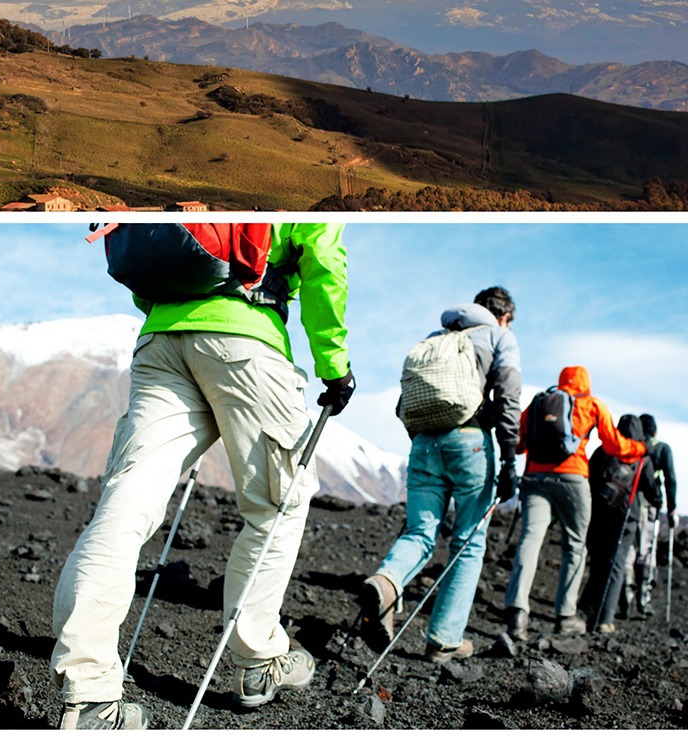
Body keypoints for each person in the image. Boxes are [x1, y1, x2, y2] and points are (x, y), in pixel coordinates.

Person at [53, 223, 351, 728]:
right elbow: (324, 258)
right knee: (276, 503)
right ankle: (258, 661)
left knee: (127, 501)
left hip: (159, 343)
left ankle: (89, 694)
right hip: (247, 340)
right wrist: (333, 362)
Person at [359, 287, 521, 661]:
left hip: (424, 444)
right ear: (504, 316)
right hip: (471, 443)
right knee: (468, 541)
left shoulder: (436, 339)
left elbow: (406, 401)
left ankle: (386, 583)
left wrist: (424, 441)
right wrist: (510, 459)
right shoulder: (500, 336)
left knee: (419, 531)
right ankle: (444, 639)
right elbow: (509, 397)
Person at [502, 365, 644, 638]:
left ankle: (517, 614)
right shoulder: (591, 405)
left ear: (561, 381)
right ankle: (565, 616)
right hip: (573, 479)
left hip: (535, 479)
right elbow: (615, 445)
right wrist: (641, 449)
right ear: (585, 383)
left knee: (530, 541)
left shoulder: (538, 405)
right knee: (575, 546)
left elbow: (519, 444)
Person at [582, 414, 658, 632]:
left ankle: (587, 609)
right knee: (615, 565)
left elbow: (590, 477)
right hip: (626, 515)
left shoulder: (603, 451)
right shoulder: (642, 457)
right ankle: (605, 619)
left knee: (597, 562)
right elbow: (652, 489)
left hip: (598, 513)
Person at [633, 414, 678, 617]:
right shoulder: (662, 449)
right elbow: (671, 479)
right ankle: (643, 601)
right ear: (655, 430)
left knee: (629, 548)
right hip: (650, 504)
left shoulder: (632, 446)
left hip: (628, 502)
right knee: (646, 549)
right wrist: (671, 508)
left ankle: (624, 599)